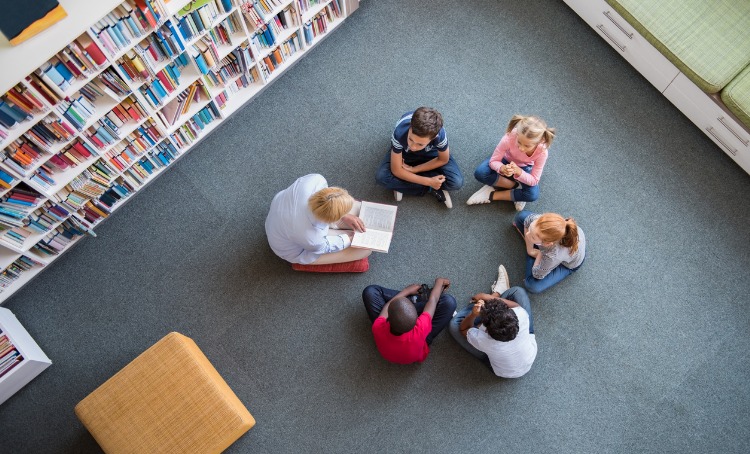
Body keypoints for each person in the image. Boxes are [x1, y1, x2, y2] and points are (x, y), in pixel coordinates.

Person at [449, 264, 537, 378]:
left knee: (454, 325)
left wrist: (473, 314)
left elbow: (463, 329)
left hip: (501, 370)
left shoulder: (485, 341)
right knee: (517, 292)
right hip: (528, 359)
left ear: (486, 330)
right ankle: (496, 294)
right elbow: (516, 306)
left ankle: (492, 298)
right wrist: (486, 297)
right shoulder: (520, 315)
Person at [265, 174, 371, 265]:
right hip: (296, 248)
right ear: (331, 219)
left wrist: (345, 215)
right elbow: (326, 246)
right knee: (364, 251)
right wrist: (349, 239)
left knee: (358, 210)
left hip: (283, 214)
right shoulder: (312, 239)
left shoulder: (315, 180)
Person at [375, 107, 464, 208]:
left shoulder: (440, 135)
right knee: (381, 177)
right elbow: (396, 170)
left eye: (420, 144)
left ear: (434, 138)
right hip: (405, 153)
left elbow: (443, 159)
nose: (413, 147)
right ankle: (431, 188)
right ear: (410, 128)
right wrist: (429, 182)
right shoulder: (399, 133)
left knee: (456, 182)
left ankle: (403, 184)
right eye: (411, 139)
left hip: (431, 152)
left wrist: (413, 170)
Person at [466, 115, 555, 211]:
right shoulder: (510, 136)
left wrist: (519, 172)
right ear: (517, 134)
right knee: (480, 173)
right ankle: (516, 187)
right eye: (519, 142)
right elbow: (494, 161)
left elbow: (534, 180)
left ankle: (491, 194)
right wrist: (502, 168)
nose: (521, 148)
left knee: (532, 195)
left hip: (525, 167)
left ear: (540, 141)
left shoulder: (542, 152)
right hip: (505, 159)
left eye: (527, 145)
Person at [362, 277, 457, 364]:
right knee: (449, 302)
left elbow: (388, 307)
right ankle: (414, 301)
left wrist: (407, 291)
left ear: (388, 318)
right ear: (417, 320)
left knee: (370, 291)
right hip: (421, 341)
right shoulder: (420, 328)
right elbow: (433, 300)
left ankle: (411, 300)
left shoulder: (378, 326)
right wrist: (439, 282)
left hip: (391, 346)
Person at [513, 210, 586, 293]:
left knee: (532, 285)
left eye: (532, 237)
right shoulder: (537, 220)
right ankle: (535, 247)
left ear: (547, 244)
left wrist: (540, 254)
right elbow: (527, 221)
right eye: (530, 229)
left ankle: (538, 253)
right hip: (558, 249)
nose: (527, 235)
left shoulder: (552, 256)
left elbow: (537, 274)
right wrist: (530, 250)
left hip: (569, 264)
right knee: (521, 217)